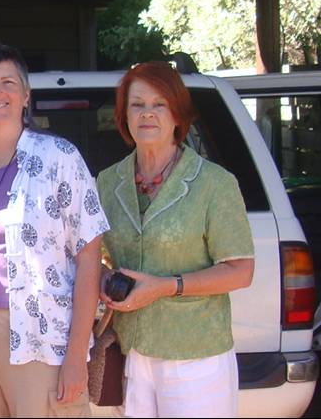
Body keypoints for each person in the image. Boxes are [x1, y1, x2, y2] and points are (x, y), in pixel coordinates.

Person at [0, 44, 110, 418]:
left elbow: (89, 258)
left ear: (25, 94)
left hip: (41, 336)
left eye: (7, 82)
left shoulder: (59, 158)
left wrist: (75, 356)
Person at [95, 61, 254, 418]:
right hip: (132, 350)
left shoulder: (214, 183)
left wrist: (166, 286)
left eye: (159, 104)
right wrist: (104, 279)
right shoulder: (107, 182)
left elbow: (240, 271)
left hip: (195, 353)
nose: (147, 114)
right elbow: (95, 256)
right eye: (137, 104)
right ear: (124, 115)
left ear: (178, 115)